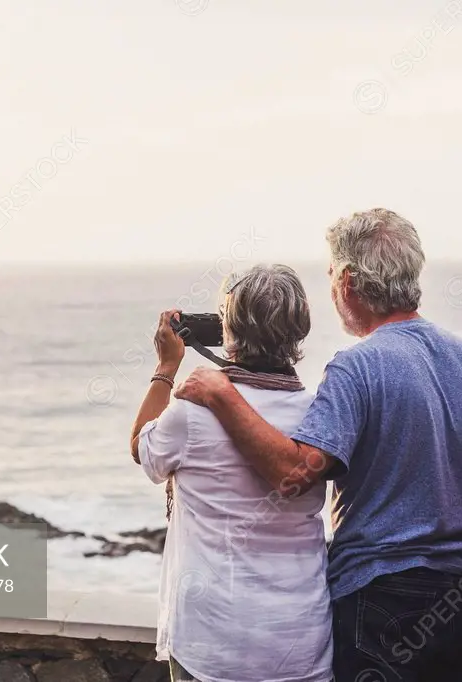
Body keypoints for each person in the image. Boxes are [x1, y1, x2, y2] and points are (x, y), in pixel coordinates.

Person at [175, 209, 462, 682]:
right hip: (461, 597)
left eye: (332, 274)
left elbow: (293, 474)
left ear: (350, 282)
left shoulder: (357, 368)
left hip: (381, 603)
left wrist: (220, 392)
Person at [129, 264, 332, 682]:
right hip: (300, 642)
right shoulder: (320, 415)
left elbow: (141, 447)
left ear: (229, 329)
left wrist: (166, 367)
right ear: (299, 330)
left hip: (213, 643)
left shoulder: (193, 413)